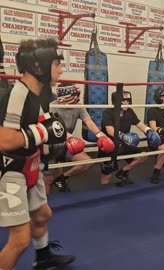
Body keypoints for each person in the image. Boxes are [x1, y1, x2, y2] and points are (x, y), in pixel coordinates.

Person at [0, 38, 75, 270]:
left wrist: (67, 139)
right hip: (11, 170)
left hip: (31, 165)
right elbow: (5, 140)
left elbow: (44, 128)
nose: (61, 69)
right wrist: (43, 131)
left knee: (42, 215)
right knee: (20, 239)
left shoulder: (41, 94)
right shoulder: (18, 94)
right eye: (57, 64)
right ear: (39, 66)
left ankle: (43, 257)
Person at [43, 83, 115, 193]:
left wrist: (100, 135)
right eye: (75, 95)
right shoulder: (52, 107)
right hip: (50, 146)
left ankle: (62, 178)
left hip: (67, 144)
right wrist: (70, 137)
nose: (77, 97)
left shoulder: (78, 106)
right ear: (65, 96)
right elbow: (56, 127)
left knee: (87, 162)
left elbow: (88, 121)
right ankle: (46, 206)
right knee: (48, 180)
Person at [99, 91, 161, 186]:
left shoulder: (129, 112)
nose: (126, 103)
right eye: (123, 101)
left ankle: (123, 172)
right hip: (110, 146)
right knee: (106, 177)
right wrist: (124, 136)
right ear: (116, 102)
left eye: (127, 101)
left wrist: (149, 131)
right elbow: (110, 130)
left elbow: (139, 123)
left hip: (124, 143)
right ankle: (103, 195)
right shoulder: (108, 113)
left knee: (142, 156)